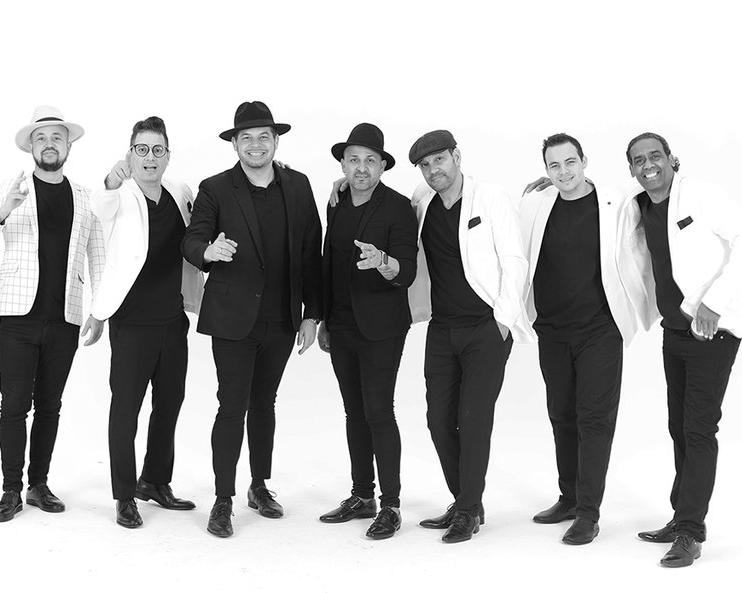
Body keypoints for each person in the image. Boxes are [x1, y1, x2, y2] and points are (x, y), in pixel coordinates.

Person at [619, 132, 742, 567]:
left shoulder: (701, 195)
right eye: (639, 160)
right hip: (674, 332)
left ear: (671, 159)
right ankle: (681, 514)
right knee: (680, 427)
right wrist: (548, 187)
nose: (648, 165)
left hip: (711, 333)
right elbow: (598, 202)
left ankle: (690, 532)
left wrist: (714, 302)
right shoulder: (637, 204)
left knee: (699, 429)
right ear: (632, 169)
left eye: (656, 156)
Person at [181, 101, 322, 538]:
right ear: (235, 144)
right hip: (232, 319)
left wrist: (312, 314)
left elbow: (311, 253)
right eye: (246, 138)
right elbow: (192, 239)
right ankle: (223, 499)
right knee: (232, 406)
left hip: (281, 318)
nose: (255, 145)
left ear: (276, 141)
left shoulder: (298, 185)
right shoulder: (215, 188)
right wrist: (208, 252)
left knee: (265, 404)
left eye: (264, 137)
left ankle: (259, 486)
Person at [0, 105, 105, 522]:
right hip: (18, 317)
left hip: (65, 316)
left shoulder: (85, 197)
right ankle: (11, 490)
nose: (49, 144)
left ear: (68, 146)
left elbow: (98, 257)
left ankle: (38, 485)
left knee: (50, 405)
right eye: (41, 138)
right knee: (13, 405)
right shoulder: (9, 188)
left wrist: (100, 311)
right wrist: (3, 212)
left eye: (57, 138)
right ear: (31, 146)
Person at [407, 130, 533, 543]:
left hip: (485, 326)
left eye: (440, 160)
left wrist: (503, 320)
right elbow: (387, 200)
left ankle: (466, 509)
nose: (433, 170)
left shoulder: (490, 197)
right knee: (438, 421)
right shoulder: (423, 202)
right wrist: (342, 182)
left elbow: (514, 260)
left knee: (474, 420)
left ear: (457, 156)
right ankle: (467, 501)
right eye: (425, 165)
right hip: (442, 328)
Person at [519, 133, 641, 544]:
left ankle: (588, 513)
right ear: (545, 170)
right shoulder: (536, 203)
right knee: (561, 415)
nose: (564, 172)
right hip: (552, 329)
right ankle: (569, 498)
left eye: (570, 162)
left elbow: (653, 223)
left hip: (600, 330)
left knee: (594, 419)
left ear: (584, 161)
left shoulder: (617, 204)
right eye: (554, 166)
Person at [91, 116, 204, 528]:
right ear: (130, 154)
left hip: (172, 319)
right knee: (126, 411)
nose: (150, 158)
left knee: (169, 404)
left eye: (158, 150)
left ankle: (154, 481)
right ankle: (124, 496)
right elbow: (98, 205)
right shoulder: (119, 194)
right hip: (131, 323)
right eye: (142, 150)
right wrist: (110, 180)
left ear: (168, 156)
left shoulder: (179, 191)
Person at [316, 123, 418, 540]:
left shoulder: (397, 207)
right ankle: (362, 496)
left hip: (382, 327)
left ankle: (391, 505)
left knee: (379, 411)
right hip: (341, 324)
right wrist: (323, 318)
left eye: (370, 160)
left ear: (382, 166)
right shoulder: (336, 202)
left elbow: (407, 272)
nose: (361, 168)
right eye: (354, 160)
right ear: (343, 164)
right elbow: (328, 262)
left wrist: (383, 262)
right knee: (354, 412)